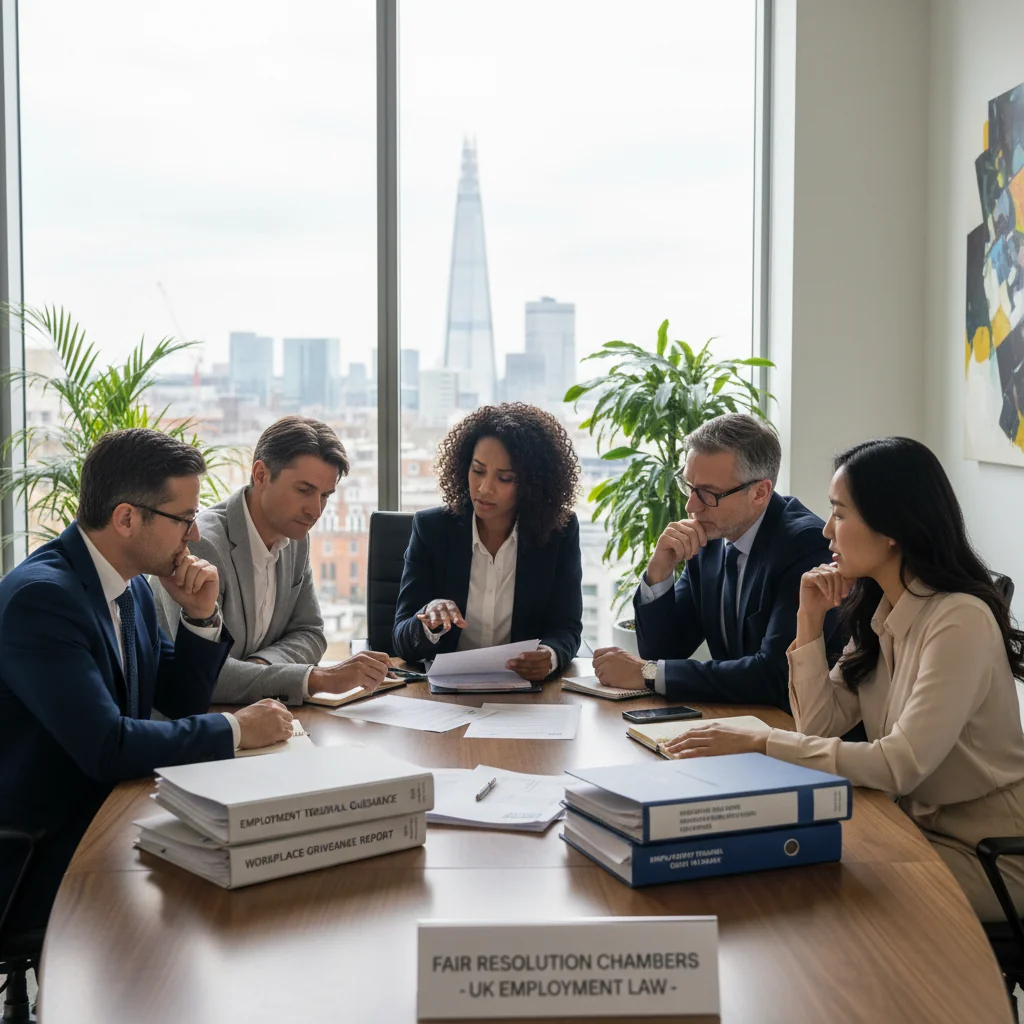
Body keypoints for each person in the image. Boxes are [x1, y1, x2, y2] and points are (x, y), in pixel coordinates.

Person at [661, 436, 1024, 921]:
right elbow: (818, 725)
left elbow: (898, 765)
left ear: (892, 528)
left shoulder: (959, 619)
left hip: (988, 855)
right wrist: (809, 620)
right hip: (917, 830)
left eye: (840, 513)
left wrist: (763, 742)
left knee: (809, 886)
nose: (826, 529)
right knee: (781, 865)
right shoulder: (881, 607)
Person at [0, 429, 295, 935]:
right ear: (126, 518)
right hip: (40, 852)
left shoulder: (130, 587)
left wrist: (201, 616)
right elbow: (107, 746)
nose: (194, 535)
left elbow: (178, 701)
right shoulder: (43, 600)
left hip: (112, 814)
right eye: (183, 518)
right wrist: (237, 729)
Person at [594, 413, 844, 711]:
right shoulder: (711, 536)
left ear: (760, 492)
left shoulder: (804, 544)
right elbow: (664, 650)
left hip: (794, 726)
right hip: (736, 718)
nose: (691, 506)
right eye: (690, 487)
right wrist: (658, 572)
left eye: (708, 494)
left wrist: (648, 674)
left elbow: (776, 676)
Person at [156, 416, 391, 705]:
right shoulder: (201, 543)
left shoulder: (296, 539)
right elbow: (206, 678)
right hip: (197, 720)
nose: (315, 510)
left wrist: (260, 667)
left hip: (262, 713)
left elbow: (310, 634)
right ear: (260, 474)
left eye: (325, 495)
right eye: (304, 491)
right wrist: (319, 679)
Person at [392, 403, 583, 680]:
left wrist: (550, 655)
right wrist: (427, 622)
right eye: (478, 470)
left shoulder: (559, 533)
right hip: (444, 691)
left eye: (505, 478)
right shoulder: (432, 529)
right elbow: (401, 638)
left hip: (524, 692)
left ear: (533, 484)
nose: (484, 488)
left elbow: (567, 627)